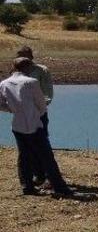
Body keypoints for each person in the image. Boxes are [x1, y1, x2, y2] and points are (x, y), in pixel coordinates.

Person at [0, 57, 72, 196]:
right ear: (28, 68)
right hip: (34, 123)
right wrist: (35, 112)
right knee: (46, 156)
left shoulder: (4, 83)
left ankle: (27, 186)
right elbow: (42, 105)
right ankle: (59, 187)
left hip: (17, 124)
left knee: (24, 156)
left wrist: (13, 109)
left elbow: (1, 104)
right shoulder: (31, 82)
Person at [16, 45, 54, 186]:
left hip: (38, 114)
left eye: (24, 55)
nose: (22, 58)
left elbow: (48, 94)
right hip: (21, 115)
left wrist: (38, 109)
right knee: (25, 148)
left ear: (31, 56)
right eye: (19, 55)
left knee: (42, 144)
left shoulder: (42, 70)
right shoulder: (15, 72)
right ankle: (36, 176)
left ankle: (49, 176)